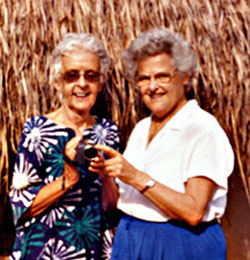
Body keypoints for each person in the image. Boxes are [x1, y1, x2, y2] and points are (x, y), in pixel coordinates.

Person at [91, 28, 234, 260]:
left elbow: (193, 211)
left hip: (181, 243)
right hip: (131, 238)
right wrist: (106, 175)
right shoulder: (141, 129)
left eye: (162, 76)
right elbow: (122, 201)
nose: (152, 86)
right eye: (144, 78)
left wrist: (135, 176)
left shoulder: (202, 128)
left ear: (185, 76)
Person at [9, 33, 120, 260]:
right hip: (44, 250)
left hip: (94, 248)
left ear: (100, 84)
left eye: (91, 76)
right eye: (72, 75)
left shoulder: (107, 132)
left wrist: (105, 175)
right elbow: (21, 209)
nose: (82, 83)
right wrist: (68, 179)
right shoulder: (37, 130)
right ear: (56, 81)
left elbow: (112, 208)